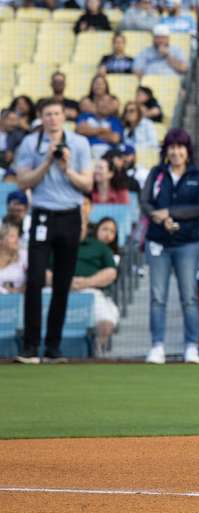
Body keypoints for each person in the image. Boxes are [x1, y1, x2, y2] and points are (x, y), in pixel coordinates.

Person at [12, 99, 93, 363]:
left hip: (69, 215)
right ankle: (30, 346)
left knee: (62, 282)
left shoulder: (79, 144)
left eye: (57, 114)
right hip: (43, 215)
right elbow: (23, 181)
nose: (53, 119)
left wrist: (66, 168)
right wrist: (46, 162)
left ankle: (53, 346)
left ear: (64, 117)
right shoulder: (30, 144)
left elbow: (87, 183)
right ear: (41, 118)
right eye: (47, 114)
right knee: (34, 279)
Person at [140, 128, 199, 366]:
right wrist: (159, 218)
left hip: (188, 243)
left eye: (180, 147)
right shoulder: (157, 173)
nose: (176, 152)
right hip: (158, 241)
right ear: (166, 151)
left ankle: (192, 345)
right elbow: (145, 201)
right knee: (157, 297)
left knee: (189, 297)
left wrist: (171, 213)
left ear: (187, 151)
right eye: (172, 147)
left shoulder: (197, 175)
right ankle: (157, 345)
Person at [73, 216, 121, 358]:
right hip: (59, 290)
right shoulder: (57, 244)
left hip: (91, 292)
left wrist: (86, 282)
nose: (107, 234)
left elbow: (111, 273)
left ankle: (97, 353)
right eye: (104, 229)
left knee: (106, 322)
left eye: (111, 231)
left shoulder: (102, 249)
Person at [0, 221, 26, 294]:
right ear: (1, 240)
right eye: (12, 236)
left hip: (19, 299)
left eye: (17, 236)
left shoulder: (23, 255)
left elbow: (38, 274)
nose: (17, 240)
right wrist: (6, 291)